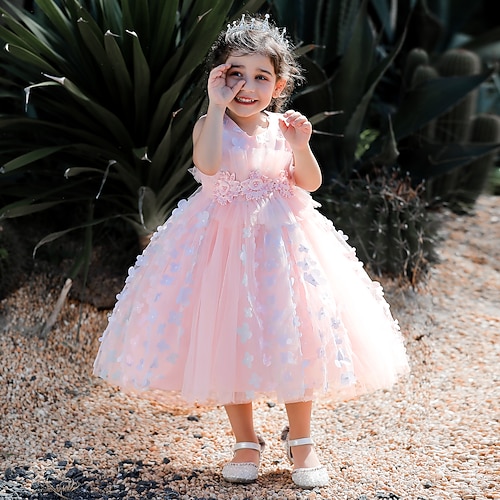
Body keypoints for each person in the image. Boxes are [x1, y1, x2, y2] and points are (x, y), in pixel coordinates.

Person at [93, 13, 410, 490]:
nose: (247, 86)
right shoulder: (209, 124)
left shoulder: (284, 126)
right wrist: (215, 104)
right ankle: (246, 440)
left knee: (295, 331)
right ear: (219, 77)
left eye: (261, 76)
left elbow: (309, 183)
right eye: (235, 74)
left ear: (278, 85)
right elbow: (208, 165)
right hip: (221, 248)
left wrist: (301, 146)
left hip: (283, 247)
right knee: (228, 337)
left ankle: (301, 439)